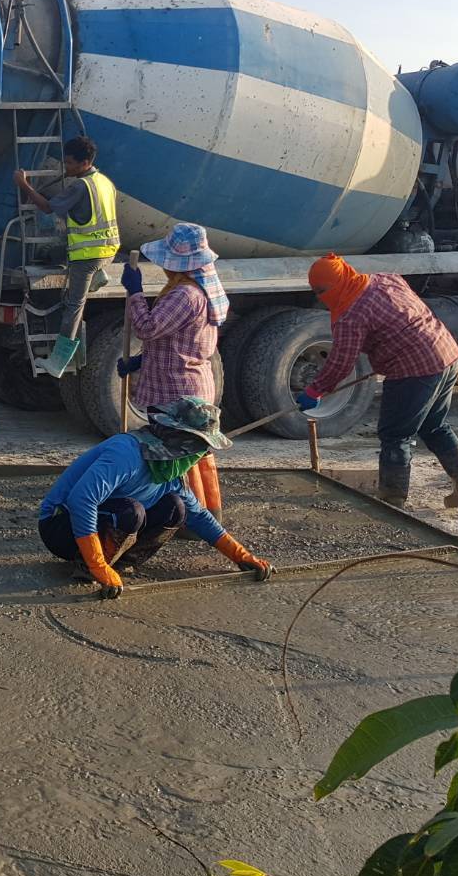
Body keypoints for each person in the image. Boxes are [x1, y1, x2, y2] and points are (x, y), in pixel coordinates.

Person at [38, 396, 272, 598]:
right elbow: (81, 500)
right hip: (60, 526)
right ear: (180, 438)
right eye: (200, 446)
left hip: (106, 520)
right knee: (132, 511)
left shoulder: (169, 471)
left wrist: (241, 556)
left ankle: (121, 564)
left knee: (175, 508)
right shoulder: (126, 453)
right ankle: (91, 567)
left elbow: (198, 516)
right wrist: (97, 565)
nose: (201, 454)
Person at [296, 253, 458, 507]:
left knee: (395, 435)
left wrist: (315, 390)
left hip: (415, 369)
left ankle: (393, 501)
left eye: (322, 290)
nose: (320, 297)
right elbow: (404, 313)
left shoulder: (351, 314)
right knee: (434, 426)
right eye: (315, 291)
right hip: (445, 353)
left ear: (338, 281)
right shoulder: (384, 280)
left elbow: (340, 362)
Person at [118, 222, 230, 520]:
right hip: (190, 386)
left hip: (177, 393)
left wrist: (134, 292)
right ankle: (209, 515)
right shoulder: (200, 288)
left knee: (178, 458)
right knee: (198, 453)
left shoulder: (186, 295)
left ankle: (189, 519)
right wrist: (139, 362)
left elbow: (148, 328)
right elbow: (180, 342)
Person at [15, 135, 120, 377]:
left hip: (87, 255)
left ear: (85, 163)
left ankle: (58, 362)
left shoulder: (79, 187)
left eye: (71, 163)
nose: (67, 168)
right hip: (109, 250)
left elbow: (48, 208)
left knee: (74, 306)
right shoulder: (104, 182)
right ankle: (99, 274)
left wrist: (24, 184)